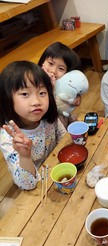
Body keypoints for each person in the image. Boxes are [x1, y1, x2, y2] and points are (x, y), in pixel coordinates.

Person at [0, 61, 66, 190]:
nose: (36, 102)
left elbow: (64, 139)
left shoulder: (48, 118)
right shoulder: (9, 137)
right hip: (36, 184)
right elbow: (27, 185)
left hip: (58, 168)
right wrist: (25, 156)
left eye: (42, 93)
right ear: (6, 98)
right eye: (25, 94)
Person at [38, 42, 82, 126]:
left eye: (61, 69)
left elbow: (72, 92)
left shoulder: (63, 83)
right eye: (50, 63)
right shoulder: (35, 81)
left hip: (62, 119)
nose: (53, 71)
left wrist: (77, 97)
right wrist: (52, 87)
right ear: (42, 62)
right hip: (47, 124)